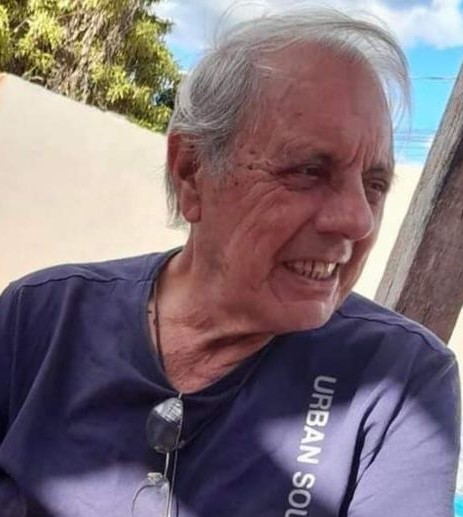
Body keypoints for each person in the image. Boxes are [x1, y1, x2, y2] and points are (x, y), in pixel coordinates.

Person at [0, 7, 460, 517]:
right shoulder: (40, 318)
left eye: (374, 185)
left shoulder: (398, 382)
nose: (358, 220)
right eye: (309, 170)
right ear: (191, 172)